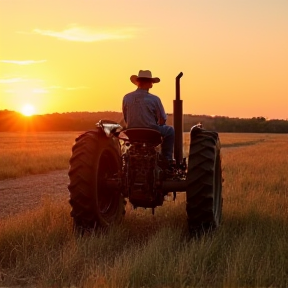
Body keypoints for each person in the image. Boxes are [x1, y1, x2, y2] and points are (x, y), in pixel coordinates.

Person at [122, 70, 175, 161]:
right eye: (152, 83)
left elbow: (126, 117)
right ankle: (167, 159)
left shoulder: (127, 97)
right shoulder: (154, 99)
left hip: (132, 132)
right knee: (170, 131)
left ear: (137, 82)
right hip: (151, 132)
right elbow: (162, 119)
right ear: (150, 83)